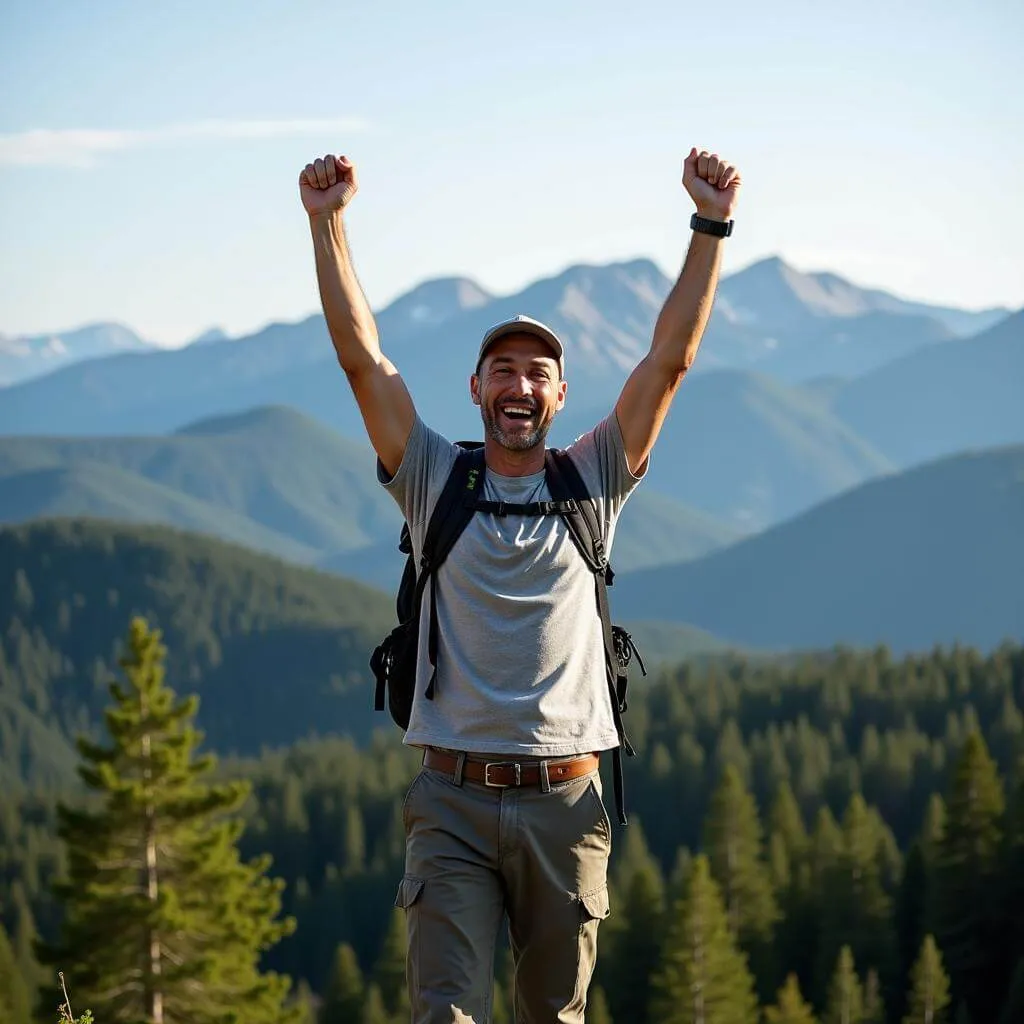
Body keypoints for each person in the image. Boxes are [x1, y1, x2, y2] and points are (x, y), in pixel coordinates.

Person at [299, 146, 741, 1024]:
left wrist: (711, 224)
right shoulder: (432, 478)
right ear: (474, 389)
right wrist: (328, 222)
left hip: (567, 805)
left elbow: (669, 361)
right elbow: (363, 361)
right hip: (452, 804)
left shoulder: (594, 480)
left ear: (561, 396)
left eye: (537, 372)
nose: (519, 383)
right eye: (502, 368)